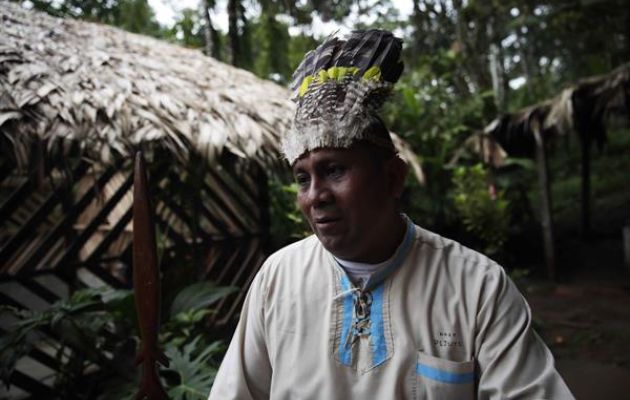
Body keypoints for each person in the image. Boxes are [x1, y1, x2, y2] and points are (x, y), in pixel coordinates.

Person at [208, 30, 574, 400]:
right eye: (303, 179)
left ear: (393, 178)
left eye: (334, 170)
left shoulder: (477, 287)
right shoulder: (278, 279)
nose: (315, 196)